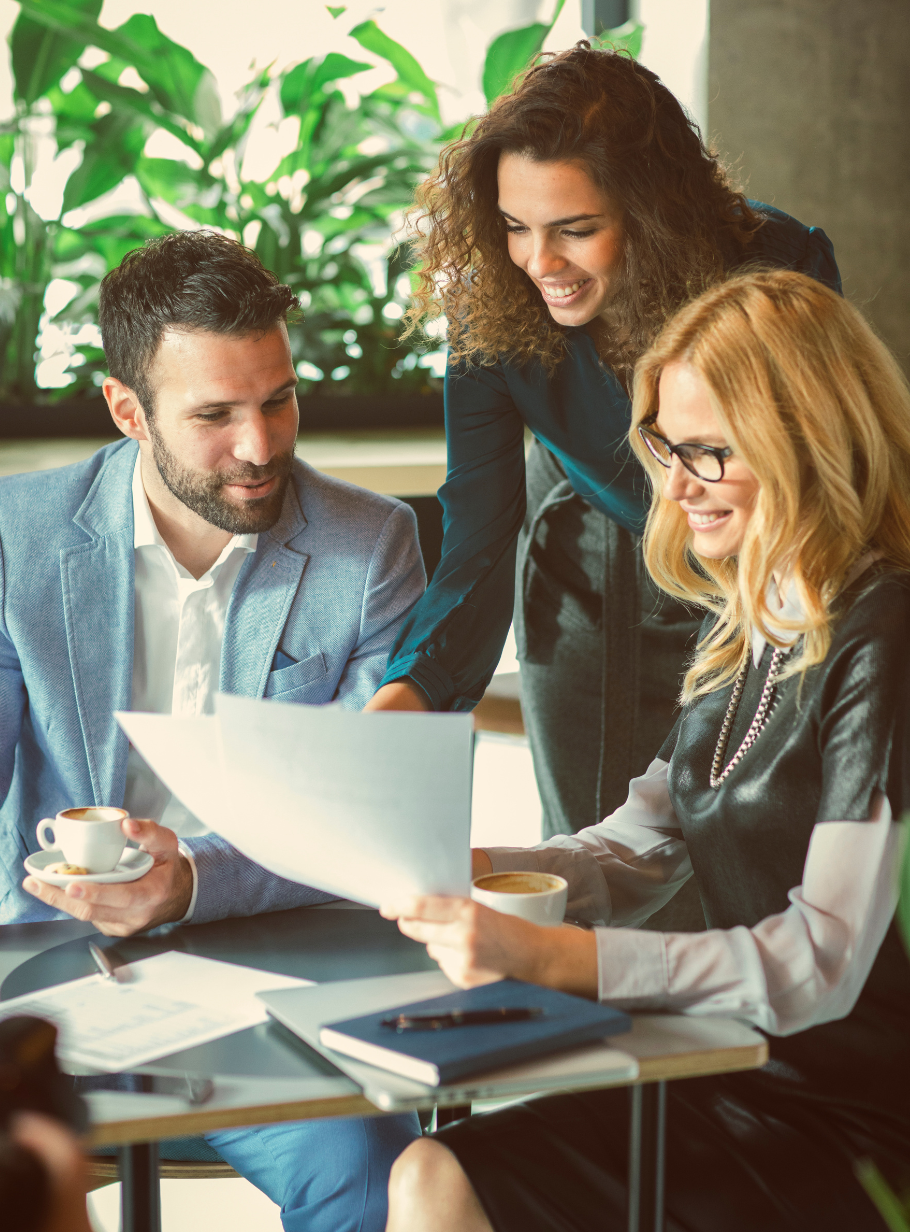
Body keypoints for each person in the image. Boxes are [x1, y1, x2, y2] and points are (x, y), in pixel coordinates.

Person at [382, 270, 910, 1232]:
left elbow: (819, 962)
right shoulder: (753, 618)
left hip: (857, 1118)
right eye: (665, 445)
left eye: (708, 453)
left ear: (812, 442)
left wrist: (558, 958)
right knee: (431, 1170)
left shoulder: (885, 636)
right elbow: (639, 843)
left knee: (444, 1173)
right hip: (727, 1059)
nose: (672, 487)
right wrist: (479, 874)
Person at [0, 231, 424, 1230]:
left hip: (272, 976)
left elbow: (358, 817)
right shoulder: (14, 534)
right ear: (127, 410)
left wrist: (191, 880)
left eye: (277, 400)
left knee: (378, 1186)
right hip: (47, 981)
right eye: (215, 414)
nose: (261, 446)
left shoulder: (373, 546)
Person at [366, 45, 842, 868]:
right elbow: (477, 539)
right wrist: (406, 699)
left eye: (575, 230)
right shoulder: (491, 310)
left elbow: (824, 488)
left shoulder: (777, 265)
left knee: (756, 859)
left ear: (653, 211)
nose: (538, 264)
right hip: (590, 562)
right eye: (515, 227)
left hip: (765, 565)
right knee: (594, 856)